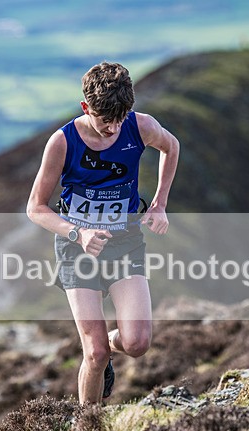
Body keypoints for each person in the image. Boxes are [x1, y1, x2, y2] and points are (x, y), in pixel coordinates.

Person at [26, 61, 179, 404]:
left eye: (120, 119)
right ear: (85, 107)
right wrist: (77, 233)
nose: (113, 128)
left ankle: (109, 343)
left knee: (137, 343)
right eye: (105, 120)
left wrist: (159, 204)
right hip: (78, 250)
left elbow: (172, 147)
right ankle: (88, 426)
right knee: (94, 354)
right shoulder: (62, 142)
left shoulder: (141, 127)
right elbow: (35, 208)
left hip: (125, 243)